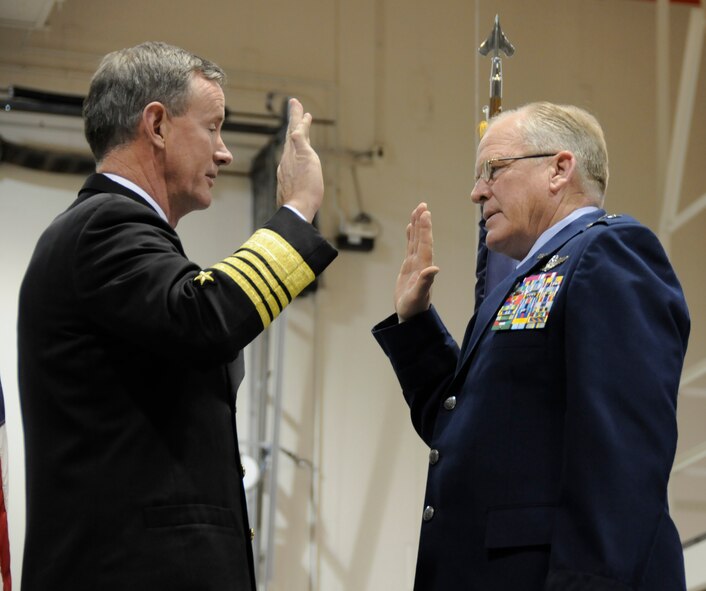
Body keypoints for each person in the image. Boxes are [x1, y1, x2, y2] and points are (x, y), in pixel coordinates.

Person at [17, 41, 337, 591]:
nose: (225, 153)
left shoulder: (117, 235)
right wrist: (297, 212)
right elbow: (206, 317)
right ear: (158, 125)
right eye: (213, 128)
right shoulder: (102, 228)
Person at [373, 102, 690, 590]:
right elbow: (463, 426)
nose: (477, 191)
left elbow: (620, 453)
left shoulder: (611, 252)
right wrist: (414, 323)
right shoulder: (522, 284)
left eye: (493, 170)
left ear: (560, 169)